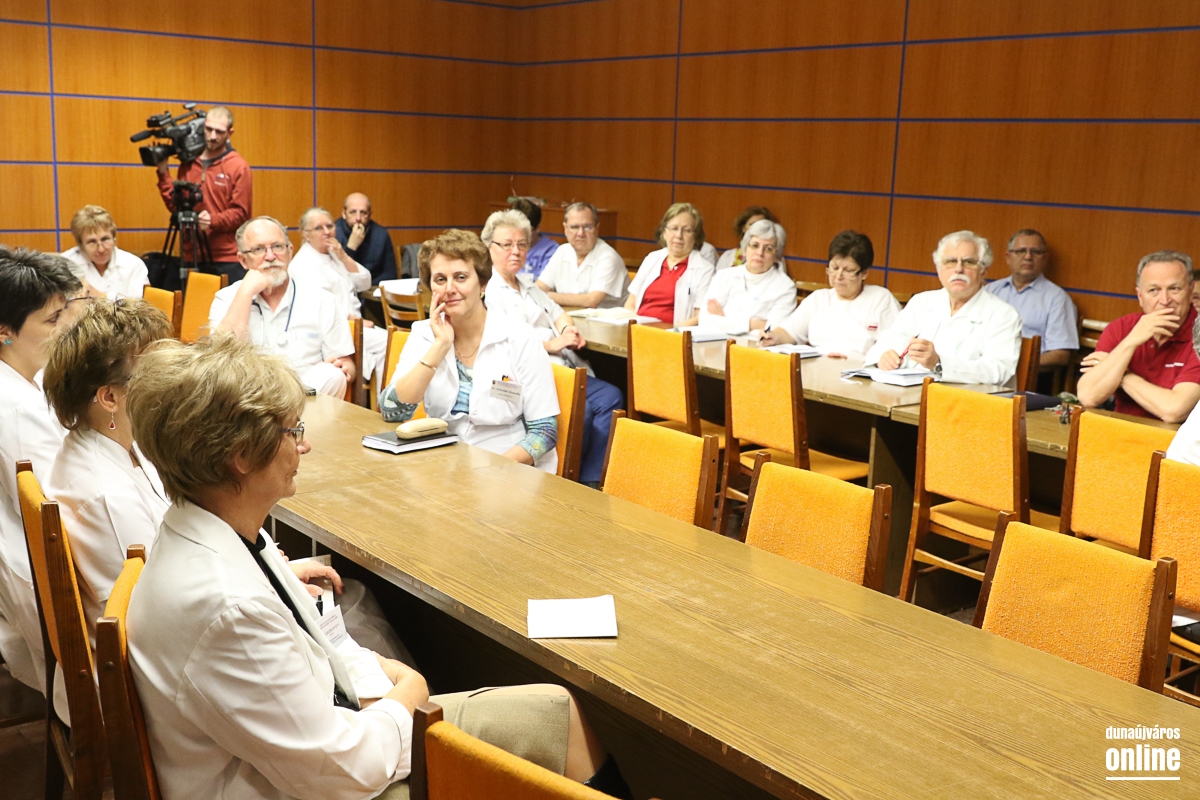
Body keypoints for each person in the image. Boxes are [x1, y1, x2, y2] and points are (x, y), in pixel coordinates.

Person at [124, 334, 631, 800]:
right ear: (240, 455)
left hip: (321, 741)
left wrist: (377, 681)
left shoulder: (214, 531)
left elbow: (319, 666)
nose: (304, 445)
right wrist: (408, 690)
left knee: (556, 712)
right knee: (552, 719)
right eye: (292, 431)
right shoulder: (228, 606)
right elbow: (346, 770)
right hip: (320, 784)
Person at [380, 230, 561, 473]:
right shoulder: (424, 334)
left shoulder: (520, 337)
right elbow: (391, 411)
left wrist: (491, 470)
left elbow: (545, 431)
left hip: (507, 467)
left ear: (483, 283)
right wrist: (439, 346)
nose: (450, 288)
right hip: (441, 463)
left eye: (461, 277)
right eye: (440, 279)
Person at [481, 210, 624, 485]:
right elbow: (504, 339)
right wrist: (549, 344)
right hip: (525, 375)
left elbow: (558, 312)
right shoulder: (488, 290)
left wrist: (567, 329)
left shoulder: (527, 285)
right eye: (507, 244)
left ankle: (589, 480)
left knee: (611, 398)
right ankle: (565, 479)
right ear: (489, 246)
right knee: (582, 411)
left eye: (522, 244)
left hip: (562, 366)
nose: (516, 251)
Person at [0, 248, 81, 699]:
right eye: (52, 320)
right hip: (42, 579)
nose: (66, 327)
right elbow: (63, 509)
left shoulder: (23, 383)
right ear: (5, 331)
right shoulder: (16, 409)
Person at [209, 216, 356, 397]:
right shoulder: (227, 298)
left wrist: (343, 369)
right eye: (258, 249)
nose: (271, 256)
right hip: (249, 400)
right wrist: (246, 293)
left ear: (290, 252)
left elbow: (346, 363)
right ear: (243, 260)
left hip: (307, 396)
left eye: (277, 247)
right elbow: (218, 362)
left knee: (332, 374)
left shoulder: (322, 299)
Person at [865, 230, 1022, 385]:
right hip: (910, 393)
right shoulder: (921, 302)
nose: (958, 269)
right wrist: (884, 357)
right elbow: (889, 341)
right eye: (950, 261)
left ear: (983, 271)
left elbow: (998, 371)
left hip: (968, 398)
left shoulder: (1004, 314)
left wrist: (938, 363)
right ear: (939, 269)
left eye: (969, 262)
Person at [1077, 250, 1200, 422]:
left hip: (1175, 436)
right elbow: (1089, 396)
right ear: (1140, 296)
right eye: (1153, 290)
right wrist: (1131, 341)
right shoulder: (1121, 328)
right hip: (1119, 428)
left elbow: (1174, 410)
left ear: (1190, 291)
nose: (1165, 300)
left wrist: (1122, 374)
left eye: (1174, 289)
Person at [762, 230, 899, 356]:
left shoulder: (881, 299)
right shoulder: (818, 299)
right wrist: (773, 337)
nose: (838, 276)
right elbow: (789, 332)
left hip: (859, 369)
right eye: (834, 268)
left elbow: (896, 345)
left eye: (848, 270)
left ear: (864, 273)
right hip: (817, 367)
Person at [290, 207, 386, 388]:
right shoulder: (303, 264)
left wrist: (344, 256)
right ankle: (384, 401)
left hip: (355, 323)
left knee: (389, 343)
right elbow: (317, 306)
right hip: (337, 327)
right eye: (318, 228)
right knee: (387, 342)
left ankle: (380, 398)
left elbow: (364, 282)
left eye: (330, 226)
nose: (326, 232)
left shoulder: (334, 253)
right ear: (305, 234)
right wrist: (354, 320)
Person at [155, 106, 252, 282]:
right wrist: (163, 172)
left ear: (230, 133)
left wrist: (213, 220)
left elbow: (241, 213)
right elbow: (176, 205)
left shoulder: (238, 167)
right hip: (191, 256)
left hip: (226, 258)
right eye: (208, 129)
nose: (212, 136)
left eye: (219, 132)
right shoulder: (189, 163)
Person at [985, 229, 1079, 367]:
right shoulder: (990, 291)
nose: (1028, 257)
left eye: (1035, 252)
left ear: (1044, 258)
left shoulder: (1057, 299)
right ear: (1008, 257)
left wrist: (1019, 367)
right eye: (1021, 251)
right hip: (985, 367)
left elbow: (1061, 355)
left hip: (1028, 373)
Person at [698, 218, 797, 333]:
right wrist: (754, 324)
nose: (759, 253)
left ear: (776, 256)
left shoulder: (785, 287)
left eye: (768, 249)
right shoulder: (724, 276)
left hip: (754, 345)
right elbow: (704, 321)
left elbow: (772, 331)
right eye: (755, 245)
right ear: (745, 249)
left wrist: (724, 319)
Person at [625, 203, 715, 326]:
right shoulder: (652, 258)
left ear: (695, 236)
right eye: (674, 228)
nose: (679, 235)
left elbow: (701, 316)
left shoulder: (705, 269)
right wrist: (634, 327)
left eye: (687, 230)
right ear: (664, 232)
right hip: (639, 329)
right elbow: (630, 303)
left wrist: (672, 332)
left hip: (674, 333)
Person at [536, 202, 627, 309]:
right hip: (568, 316)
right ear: (565, 229)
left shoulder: (608, 257)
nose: (580, 233)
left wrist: (547, 296)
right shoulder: (562, 251)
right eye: (574, 227)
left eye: (587, 227)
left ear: (597, 228)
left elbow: (591, 301)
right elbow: (538, 288)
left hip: (604, 319)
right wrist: (539, 294)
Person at [60, 205, 149, 300]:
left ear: (114, 238)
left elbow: (138, 307)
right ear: (81, 245)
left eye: (105, 239)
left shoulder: (134, 265)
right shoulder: (64, 264)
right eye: (92, 242)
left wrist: (99, 295)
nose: (101, 249)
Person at [336, 192, 398, 284]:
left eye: (363, 212)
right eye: (353, 212)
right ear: (344, 214)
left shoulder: (381, 234)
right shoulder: (333, 233)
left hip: (372, 288)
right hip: (344, 289)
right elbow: (335, 275)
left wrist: (366, 287)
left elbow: (390, 273)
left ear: (369, 215)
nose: (358, 218)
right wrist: (351, 247)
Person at [714, 205, 777, 271]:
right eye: (752, 224)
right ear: (743, 228)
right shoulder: (727, 256)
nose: (757, 229)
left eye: (761, 225)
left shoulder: (774, 258)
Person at [512, 198, 558, 280]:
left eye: (525, 231)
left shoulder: (551, 251)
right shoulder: (502, 245)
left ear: (537, 228)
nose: (518, 235)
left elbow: (546, 284)